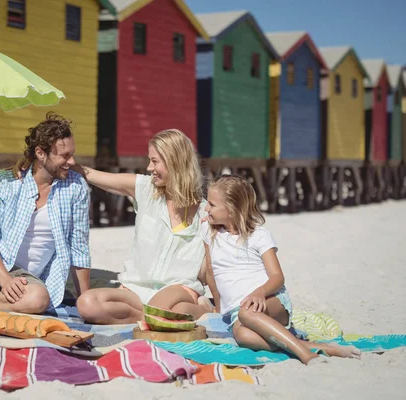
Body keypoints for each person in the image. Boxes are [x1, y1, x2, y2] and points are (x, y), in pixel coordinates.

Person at [202, 175, 361, 365]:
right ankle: (315, 346)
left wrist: (260, 293)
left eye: (211, 205)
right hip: (237, 313)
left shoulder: (259, 236)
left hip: (270, 301)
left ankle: (306, 355)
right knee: (242, 335)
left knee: (246, 314)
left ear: (231, 209)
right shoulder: (209, 231)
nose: (206, 208)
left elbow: (277, 277)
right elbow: (211, 272)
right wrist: (220, 307)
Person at [72, 129, 214, 324]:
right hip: (135, 288)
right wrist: (73, 166)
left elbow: (212, 266)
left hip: (177, 288)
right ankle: (158, 319)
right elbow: (100, 177)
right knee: (86, 303)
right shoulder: (146, 189)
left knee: (158, 308)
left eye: (155, 161)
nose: (149, 167)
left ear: (175, 161)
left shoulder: (206, 212)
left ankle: (188, 311)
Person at [0, 112, 91, 316]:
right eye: (64, 155)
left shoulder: (76, 186)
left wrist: (85, 302)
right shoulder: (3, 182)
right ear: (40, 153)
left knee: (39, 300)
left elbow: (79, 247)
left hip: (27, 279)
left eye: (72, 154)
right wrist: (5, 280)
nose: (71, 162)